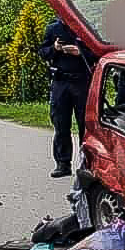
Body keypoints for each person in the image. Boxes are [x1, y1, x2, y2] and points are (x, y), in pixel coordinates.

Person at [38, 17, 98, 178]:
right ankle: (63, 164)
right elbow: (42, 52)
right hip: (60, 82)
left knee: (85, 126)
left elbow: (97, 53)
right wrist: (55, 48)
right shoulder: (52, 29)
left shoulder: (85, 27)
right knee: (60, 124)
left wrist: (80, 53)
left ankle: (87, 163)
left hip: (81, 81)